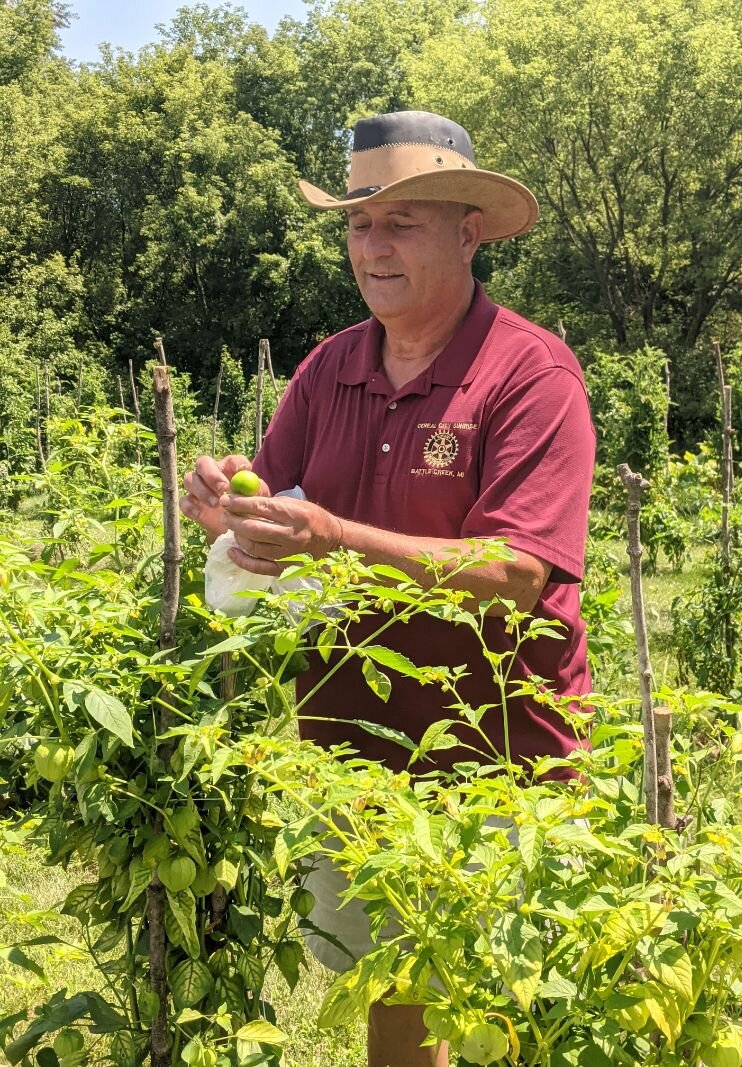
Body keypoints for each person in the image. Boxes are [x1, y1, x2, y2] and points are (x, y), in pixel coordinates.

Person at [181, 110, 595, 1067]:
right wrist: (231, 512)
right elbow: (279, 511)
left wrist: (333, 536)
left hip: (499, 754)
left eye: (403, 221)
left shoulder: (529, 374)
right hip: (355, 749)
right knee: (397, 987)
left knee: (507, 1006)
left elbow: (517, 575)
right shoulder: (331, 366)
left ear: (468, 230)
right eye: (361, 223)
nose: (375, 245)